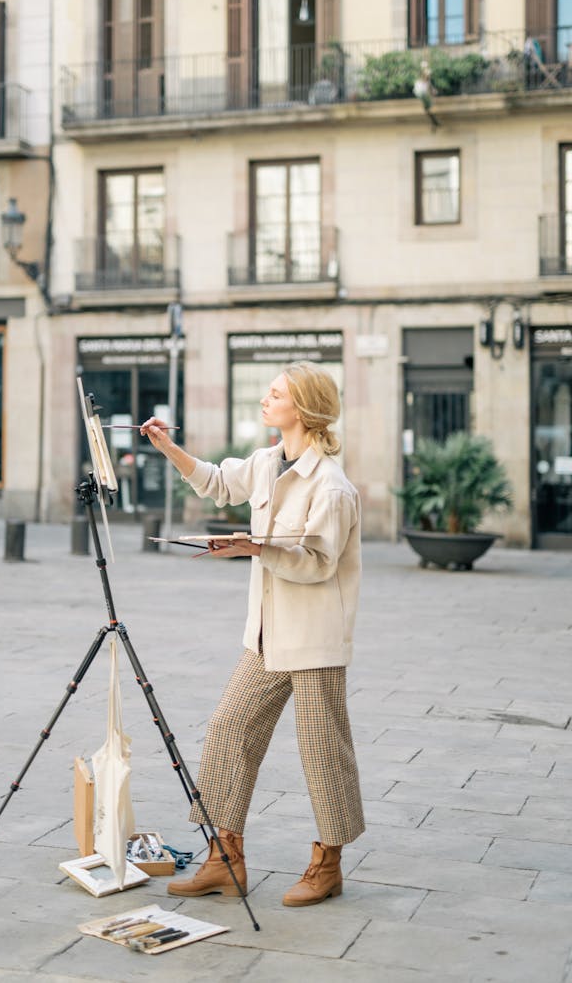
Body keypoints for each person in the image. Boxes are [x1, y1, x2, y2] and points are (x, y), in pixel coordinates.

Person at [140, 361, 364, 907]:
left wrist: (256, 548)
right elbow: (218, 483)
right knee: (228, 731)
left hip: (313, 638)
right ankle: (224, 856)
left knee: (321, 749)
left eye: (276, 394)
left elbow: (317, 564)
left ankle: (327, 864)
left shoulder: (332, 487)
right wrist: (167, 447)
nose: (266, 400)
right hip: (265, 636)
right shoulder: (266, 462)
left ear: (304, 410)